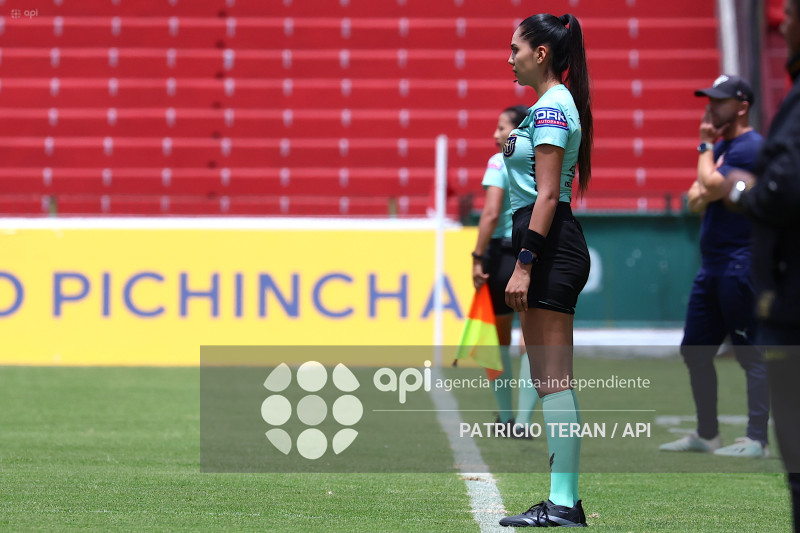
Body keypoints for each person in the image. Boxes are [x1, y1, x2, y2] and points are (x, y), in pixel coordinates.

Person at [498, 13, 592, 528]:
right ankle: (562, 501)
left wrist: (525, 264)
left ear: (542, 54)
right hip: (545, 245)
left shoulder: (554, 107)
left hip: (549, 249)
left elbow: (549, 194)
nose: (508, 57)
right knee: (550, 378)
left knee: (553, 381)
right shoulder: (547, 107)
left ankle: (563, 503)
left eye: (515, 48)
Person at [659, 75, 769, 458]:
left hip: (741, 264)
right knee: (695, 349)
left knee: (750, 351)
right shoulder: (724, 148)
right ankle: (708, 434)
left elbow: (708, 184)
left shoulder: (750, 146)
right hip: (713, 267)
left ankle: (756, 438)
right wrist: (708, 180)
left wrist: (705, 150)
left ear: (742, 105)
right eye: (709, 100)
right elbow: (695, 198)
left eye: (719, 101)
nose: (710, 107)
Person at [725, 0, 800, 528]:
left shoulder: (758, 140)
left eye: (791, 14)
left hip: (785, 289)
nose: (782, 21)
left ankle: (752, 436)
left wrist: (743, 190)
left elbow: (778, 188)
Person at [470, 105, 538, 434]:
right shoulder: (539, 162)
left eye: (501, 128)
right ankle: (524, 421)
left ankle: (506, 417)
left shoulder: (499, 162)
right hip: (533, 252)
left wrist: (477, 255)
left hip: (502, 256)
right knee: (530, 341)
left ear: (515, 131)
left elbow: (491, 212)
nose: (495, 134)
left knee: (498, 341)